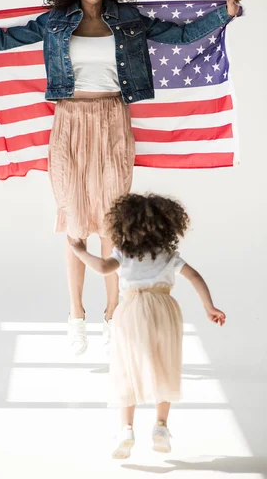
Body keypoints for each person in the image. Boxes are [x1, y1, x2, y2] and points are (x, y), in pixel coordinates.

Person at [0, 0, 239, 355]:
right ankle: (76, 316)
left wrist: (226, 12)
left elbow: (180, 35)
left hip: (113, 117)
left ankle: (113, 315)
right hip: (69, 121)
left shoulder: (128, 20)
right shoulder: (55, 22)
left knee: (114, 223)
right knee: (75, 219)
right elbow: (4, 41)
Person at [68, 193, 226, 458]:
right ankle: (161, 426)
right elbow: (195, 276)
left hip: (132, 310)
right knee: (165, 365)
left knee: (126, 367)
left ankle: (126, 429)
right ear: (167, 226)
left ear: (123, 226)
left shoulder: (123, 253)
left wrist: (81, 251)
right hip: (165, 309)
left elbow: (104, 267)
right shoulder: (167, 254)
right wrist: (209, 306)